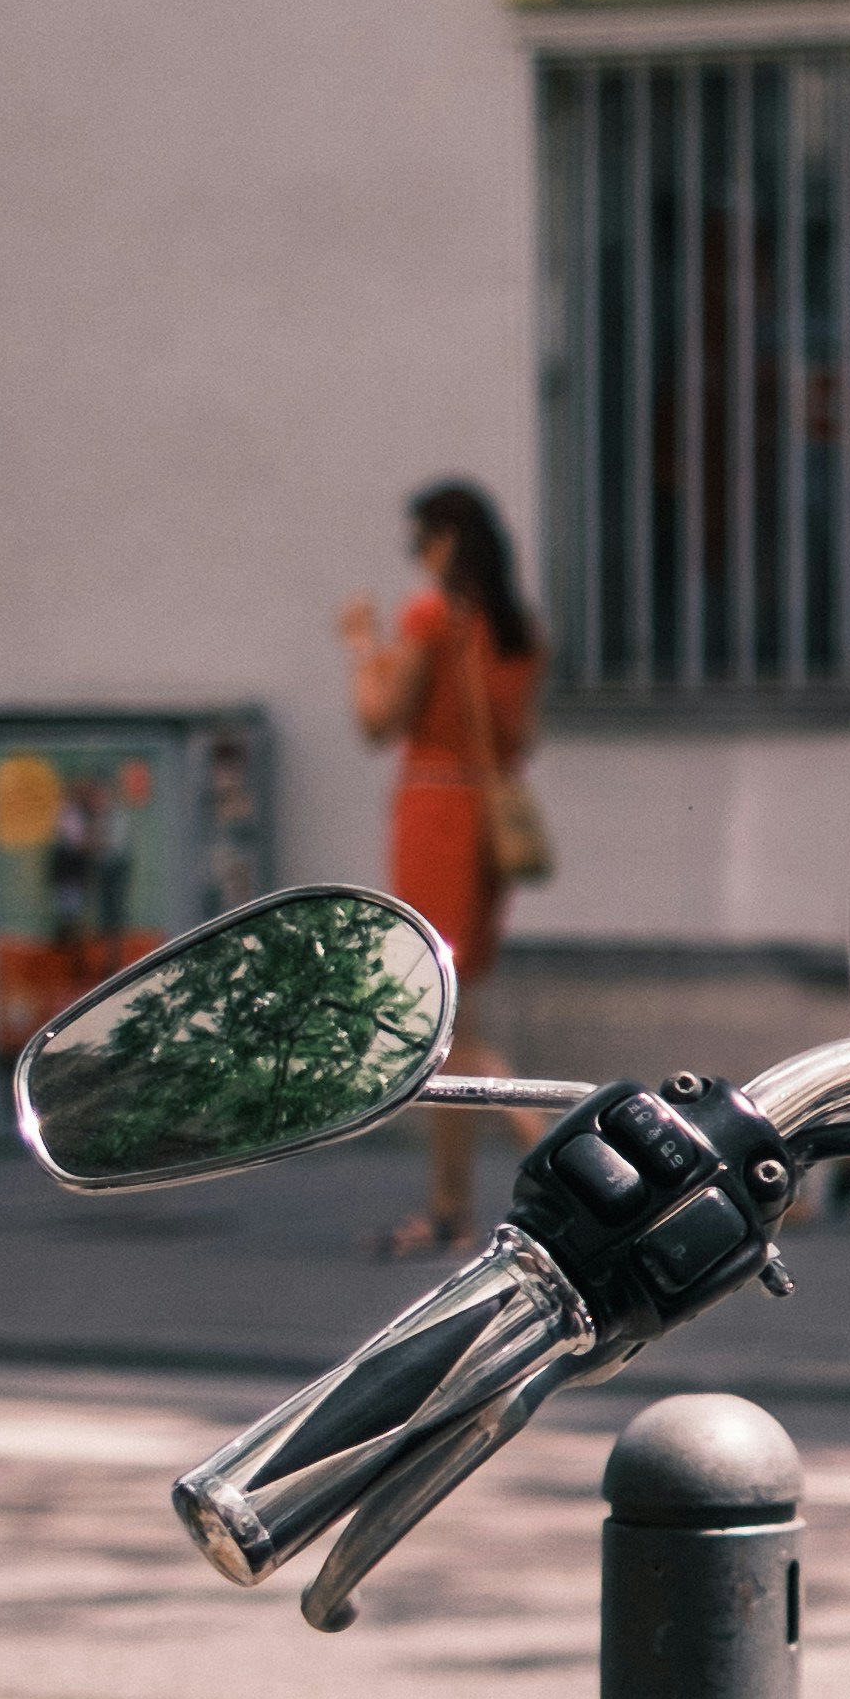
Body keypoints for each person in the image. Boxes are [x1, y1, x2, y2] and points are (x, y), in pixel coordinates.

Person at [342, 482, 540, 1245]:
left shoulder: (431, 619)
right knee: (453, 1009)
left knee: (443, 1020)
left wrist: (362, 644)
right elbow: (521, 733)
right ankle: (451, 1206)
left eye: (420, 543)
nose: (417, 560)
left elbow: (377, 720)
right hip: (490, 818)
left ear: (445, 543)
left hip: (434, 814)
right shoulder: (517, 632)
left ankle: (551, 1142)